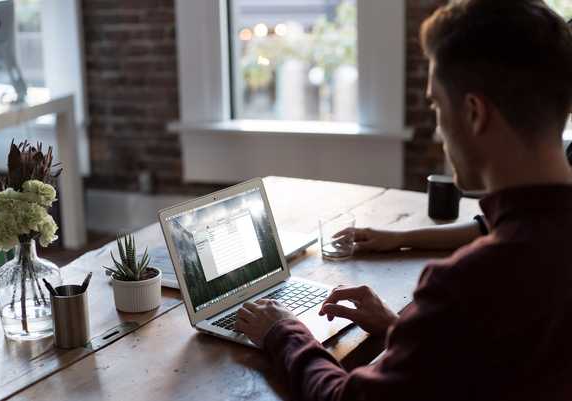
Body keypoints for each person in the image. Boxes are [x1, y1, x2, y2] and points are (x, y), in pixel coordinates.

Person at [235, 1, 572, 400]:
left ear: (474, 113)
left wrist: (283, 332)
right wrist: (407, 331)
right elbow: (501, 363)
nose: (437, 133)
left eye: (436, 106)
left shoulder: (469, 284)